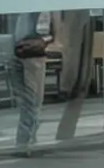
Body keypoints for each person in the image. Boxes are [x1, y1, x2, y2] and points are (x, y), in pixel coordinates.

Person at [51, 8, 95, 141]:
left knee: (76, 48)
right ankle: (71, 86)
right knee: (73, 47)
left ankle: (73, 86)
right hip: (77, 6)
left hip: (85, 8)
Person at [8, 11, 49, 153]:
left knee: (30, 101)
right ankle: (26, 142)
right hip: (21, 51)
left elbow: (48, 28)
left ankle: (24, 142)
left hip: (28, 51)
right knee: (28, 101)